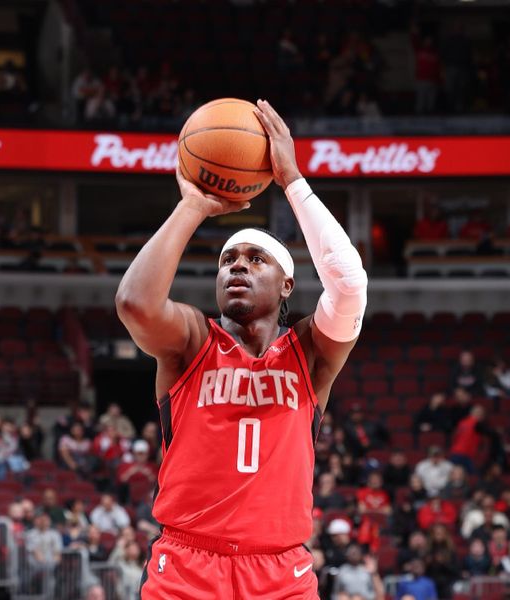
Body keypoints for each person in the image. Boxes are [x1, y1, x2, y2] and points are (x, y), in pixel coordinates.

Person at [116, 99, 367, 599]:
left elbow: (349, 283)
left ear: (288, 285)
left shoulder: (311, 354)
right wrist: (192, 207)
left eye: (256, 259)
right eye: (229, 259)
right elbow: (135, 304)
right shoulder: (192, 341)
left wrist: (293, 181)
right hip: (187, 564)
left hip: (280, 572)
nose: (237, 266)